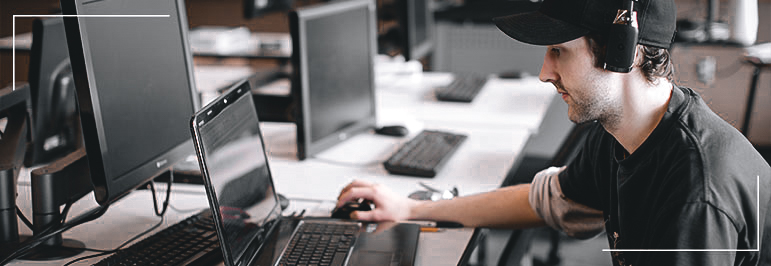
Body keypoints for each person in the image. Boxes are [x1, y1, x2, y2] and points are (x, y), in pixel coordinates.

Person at [336, 0, 771, 265]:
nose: (545, 73)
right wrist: (410, 210)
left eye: (559, 52)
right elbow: (551, 200)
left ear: (623, 53)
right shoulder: (625, 131)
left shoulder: (695, 194)